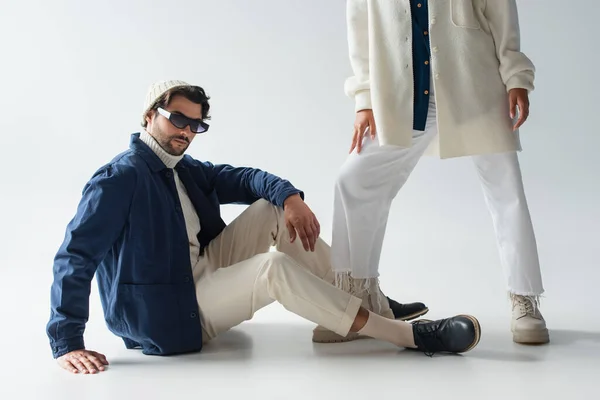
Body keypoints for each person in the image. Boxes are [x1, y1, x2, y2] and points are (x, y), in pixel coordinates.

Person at [46, 80, 481, 374]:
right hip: (169, 314)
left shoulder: (184, 169)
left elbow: (245, 177)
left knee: (271, 211)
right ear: (149, 116)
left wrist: (290, 198)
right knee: (271, 268)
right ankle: (406, 336)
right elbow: (75, 256)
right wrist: (67, 342)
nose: (186, 132)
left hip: (197, 275)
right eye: (177, 119)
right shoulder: (119, 179)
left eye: (196, 124)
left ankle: (361, 306)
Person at [314, 0, 548, 345]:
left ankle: (524, 300)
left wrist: (515, 76)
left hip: (475, 88)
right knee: (354, 181)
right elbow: (360, 29)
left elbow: (499, 11)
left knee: (507, 192)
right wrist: (364, 99)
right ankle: (358, 299)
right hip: (404, 98)